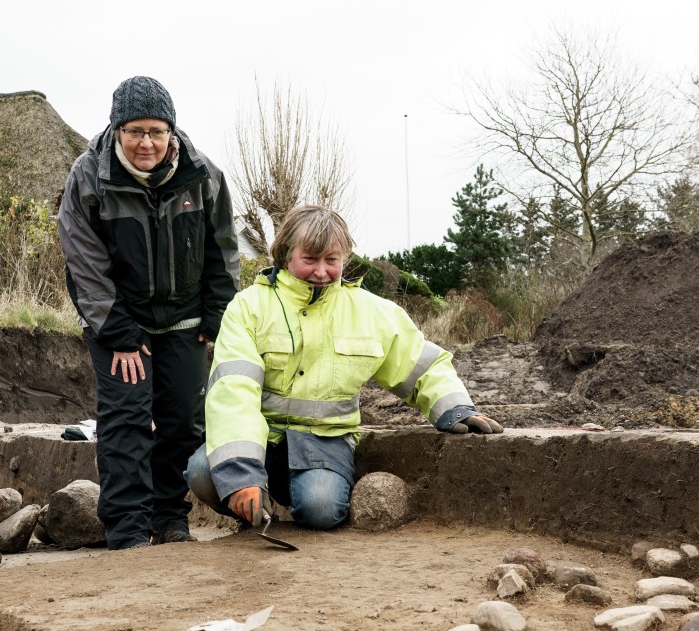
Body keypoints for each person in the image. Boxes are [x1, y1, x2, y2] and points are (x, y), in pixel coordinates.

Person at [186, 205, 503, 530]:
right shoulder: (249, 306)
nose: (321, 271)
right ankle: (254, 508)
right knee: (204, 473)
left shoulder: (371, 312)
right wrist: (241, 473)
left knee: (322, 509)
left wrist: (455, 408)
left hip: (324, 441)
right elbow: (233, 390)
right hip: (261, 438)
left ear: (344, 258)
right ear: (285, 254)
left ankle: (289, 501)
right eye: (310, 259)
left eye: (332, 260)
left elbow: (421, 365)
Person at [59, 76, 238, 550]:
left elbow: (223, 249)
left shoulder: (204, 176)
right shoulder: (89, 176)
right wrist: (116, 330)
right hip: (120, 322)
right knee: (127, 418)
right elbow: (82, 258)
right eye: (135, 131)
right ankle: (127, 527)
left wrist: (217, 314)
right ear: (117, 130)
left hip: (184, 320)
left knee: (182, 421)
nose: (146, 143)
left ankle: (169, 516)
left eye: (156, 132)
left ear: (172, 133)